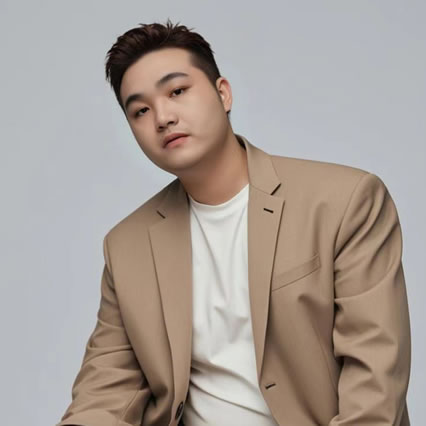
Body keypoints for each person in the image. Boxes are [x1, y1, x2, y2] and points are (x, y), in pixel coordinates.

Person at [57, 19, 411, 426]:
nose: (162, 117)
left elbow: (374, 387)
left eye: (177, 91)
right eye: (140, 110)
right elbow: (104, 391)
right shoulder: (127, 246)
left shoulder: (344, 201)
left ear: (223, 93)